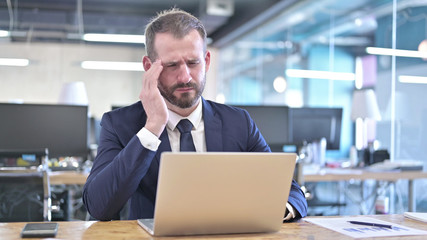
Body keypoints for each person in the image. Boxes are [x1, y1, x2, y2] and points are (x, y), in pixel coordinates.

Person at [82, 8, 307, 221]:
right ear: (149, 66)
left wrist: (276, 210)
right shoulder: (119, 124)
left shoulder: (238, 122)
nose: (185, 77)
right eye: (171, 65)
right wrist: (152, 128)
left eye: (193, 62)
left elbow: (290, 191)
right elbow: (98, 206)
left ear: (207, 61)